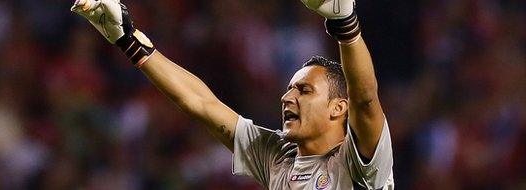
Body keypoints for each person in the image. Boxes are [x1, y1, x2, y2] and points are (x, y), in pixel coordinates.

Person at [71, 0, 394, 189]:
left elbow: (365, 99)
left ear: (338, 108)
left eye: (304, 90)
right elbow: (201, 104)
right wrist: (128, 40)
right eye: (289, 88)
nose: (287, 97)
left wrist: (344, 22)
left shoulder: (362, 163)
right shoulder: (275, 157)